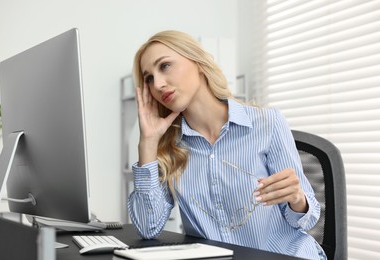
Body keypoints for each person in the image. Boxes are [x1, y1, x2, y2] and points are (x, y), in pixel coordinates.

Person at [127, 30, 326, 260]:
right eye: (149, 78)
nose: (158, 84)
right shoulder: (168, 148)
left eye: (164, 66)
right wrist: (148, 143)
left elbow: (306, 220)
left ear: (197, 62)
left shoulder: (267, 123)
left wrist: (296, 199)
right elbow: (146, 227)